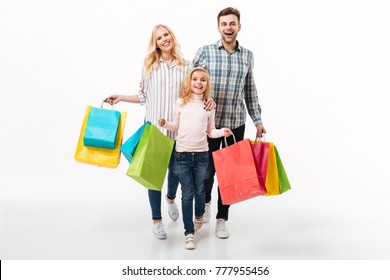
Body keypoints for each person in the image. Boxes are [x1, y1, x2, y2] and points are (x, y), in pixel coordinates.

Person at [104, 24, 215, 240]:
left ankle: (171, 199)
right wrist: (122, 97)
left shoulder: (186, 65)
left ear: (172, 37)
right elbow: (143, 96)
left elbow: (195, 91)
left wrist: (208, 99)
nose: (164, 39)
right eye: (159, 37)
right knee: (153, 177)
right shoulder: (149, 66)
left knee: (175, 173)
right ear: (155, 43)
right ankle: (157, 220)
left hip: (178, 133)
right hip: (154, 130)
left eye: (166, 35)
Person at [192, 7, 266, 239]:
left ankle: (222, 218)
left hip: (235, 124)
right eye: (224, 24)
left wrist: (258, 120)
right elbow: (190, 84)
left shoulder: (247, 56)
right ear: (218, 27)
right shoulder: (205, 52)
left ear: (239, 27)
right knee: (206, 172)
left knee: (229, 175)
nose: (228, 28)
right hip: (208, 124)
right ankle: (204, 205)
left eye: (232, 24)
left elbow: (249, 90)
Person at [158, 67, 232, 249]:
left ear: (207, 84)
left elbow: (210, 131)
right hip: (182, 154)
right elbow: (175, 125)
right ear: (189, 82)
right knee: (187, 193)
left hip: (201, 156)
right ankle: (189, 233)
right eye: (195, 79)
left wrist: (222, 132)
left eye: (203, 80)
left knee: (200, 191)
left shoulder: (209, 106)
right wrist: (165, 123)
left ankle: (199, 214)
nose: (198, 83)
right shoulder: (181, 103)